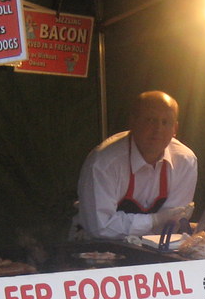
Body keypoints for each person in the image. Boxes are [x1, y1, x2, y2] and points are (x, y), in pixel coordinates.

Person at [74, 90, 197, 239]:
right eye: (150, 120)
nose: (158, 129)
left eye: (166, 122)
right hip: (94, 250)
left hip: (153, 248)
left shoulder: (185, 161)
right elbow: (100, 227)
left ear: (175, 129)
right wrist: (154, 220)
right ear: (132, 122)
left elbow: (170, 224)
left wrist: (156, 224)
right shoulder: (104, 163)